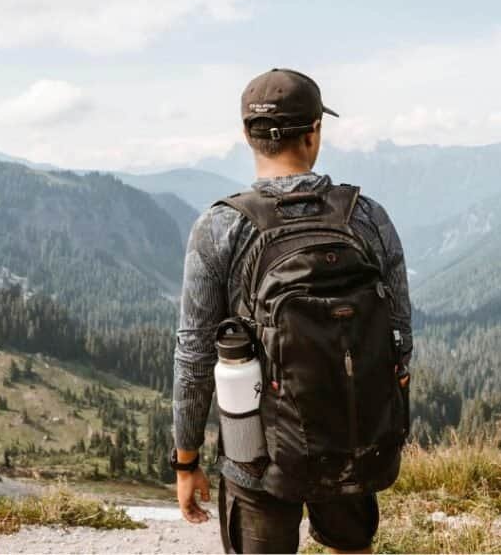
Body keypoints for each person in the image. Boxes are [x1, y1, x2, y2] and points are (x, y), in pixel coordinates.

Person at [171, 68, 413, 553]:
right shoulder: (366, 216)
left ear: (247, 135)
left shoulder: (221, 226)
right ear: (314, 131)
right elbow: (400, 336)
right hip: (350, 436)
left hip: (257, 453)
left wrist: (187, 460)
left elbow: (195, 358)